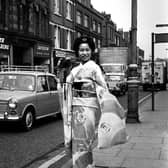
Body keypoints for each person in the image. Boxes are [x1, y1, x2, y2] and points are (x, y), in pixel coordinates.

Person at [66, 36, 108, 168]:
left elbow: (103, 87)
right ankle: (80, 165)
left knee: (86, 139)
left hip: (89, 106)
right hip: (75, 106)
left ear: (91, 51)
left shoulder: (95, 68)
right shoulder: (74, 70)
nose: (84, 53)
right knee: (77, 139)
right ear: (77, 52)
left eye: (87, 50)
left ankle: (87, 165)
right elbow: (67, 86)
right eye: (81, 50)